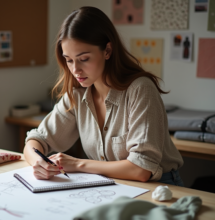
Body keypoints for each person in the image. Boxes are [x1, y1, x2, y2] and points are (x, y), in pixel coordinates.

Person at [24, 6, 184, 186]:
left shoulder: (140, 89)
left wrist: (78, 164)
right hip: (111, 185)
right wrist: (38, 162)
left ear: (107, 50)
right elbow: (36, 140)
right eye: (69, 60)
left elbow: (142, 170)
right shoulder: (78, 94)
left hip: (160, 187)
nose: (75, 70)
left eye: (83, 59)